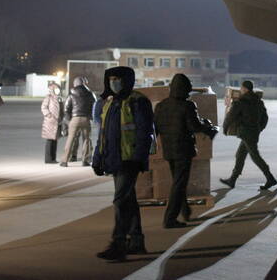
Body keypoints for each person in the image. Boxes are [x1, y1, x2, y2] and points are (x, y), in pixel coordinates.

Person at [92, 66, 154, 261]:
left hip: (129, 160)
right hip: (114, 158)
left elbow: (146, 133)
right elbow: (103, 135)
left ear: (127, 80)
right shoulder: (109, 103)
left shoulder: (138, 101)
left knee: (120, 200)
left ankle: (119, 243)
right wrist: (97, 158)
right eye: (110, 79)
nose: (113, 82)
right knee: (128, 199)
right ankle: (136, 241)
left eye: (117, 78)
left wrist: (137, 158)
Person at [153, 74, 218, 228]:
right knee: (179, 184)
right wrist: (208, 126)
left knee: (178, 182)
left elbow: (155, 127)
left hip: (168, 149)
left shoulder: (161, 105)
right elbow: (194, 127)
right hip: (183, 150)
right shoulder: (187, 105)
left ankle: (185, 211)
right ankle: (169, 219)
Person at [219, 80, 277, 190]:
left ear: (245, 89)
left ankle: (270, 178)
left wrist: (225, 128)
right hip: (254, 133)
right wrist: (259, 128)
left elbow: (230, 117)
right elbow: (265, 118)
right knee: (240, 155)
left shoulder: (240, 102)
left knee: (255, 156)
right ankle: (232, 179)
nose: (240, 90)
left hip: (245, 133)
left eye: (241, 88)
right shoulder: (259, 102)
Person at [60, 76, 95, 167]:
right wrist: (91, 117)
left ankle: (64, 161)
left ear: (75, 84)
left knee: (70, 139)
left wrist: (69, 120)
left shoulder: (71, 94)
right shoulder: (90, 93)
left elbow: (66, 109)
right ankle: (85, 160)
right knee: (87, 140)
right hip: (86, 119)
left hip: (74, 119)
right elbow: (94, 106)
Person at [41, 82, 63, 164]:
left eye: (58, 89)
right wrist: (49, 115)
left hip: (57, 122)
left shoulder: (59, 98)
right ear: (52, 89)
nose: (58, 91)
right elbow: (43, 107)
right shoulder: (49, 97)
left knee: (55, 140)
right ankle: (48, 159)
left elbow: (61, 109)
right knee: (50, 140)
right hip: (50, 122)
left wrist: (62, 117)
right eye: (56, 89)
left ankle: (53, 158)